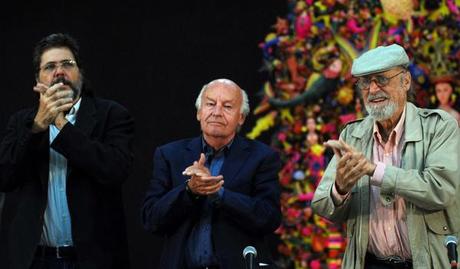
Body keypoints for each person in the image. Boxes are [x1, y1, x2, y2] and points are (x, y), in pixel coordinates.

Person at [312, 44, 460, 268]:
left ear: (406, 81)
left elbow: (441, 189)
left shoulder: (438, 126)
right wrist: (340, 189)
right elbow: (321, 204)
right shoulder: (353, 134)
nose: (372, 90)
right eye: (365, 82)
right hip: (369, 263)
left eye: (381, 79)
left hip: (425, 262)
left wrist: (375, 171)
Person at [0, 33, 134, 269]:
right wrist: (38, 128)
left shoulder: (111, 115)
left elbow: (115, 170)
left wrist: (61, 125)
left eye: (67, 64)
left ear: (80, 73)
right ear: (37, 78)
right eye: (50, 66)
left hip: (93, 260)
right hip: (34, 260)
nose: (59, 72)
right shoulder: (22, 122)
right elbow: (5, 176)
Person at [142, 78, 281, 269]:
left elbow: (269, 218)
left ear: (241, 117)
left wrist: (220, 193)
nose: (216, 112)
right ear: (199, 112)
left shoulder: (262, 157)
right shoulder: (169, 155)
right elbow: (151, 219)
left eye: (227, 106)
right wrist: (189, 191)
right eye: (210, 104)